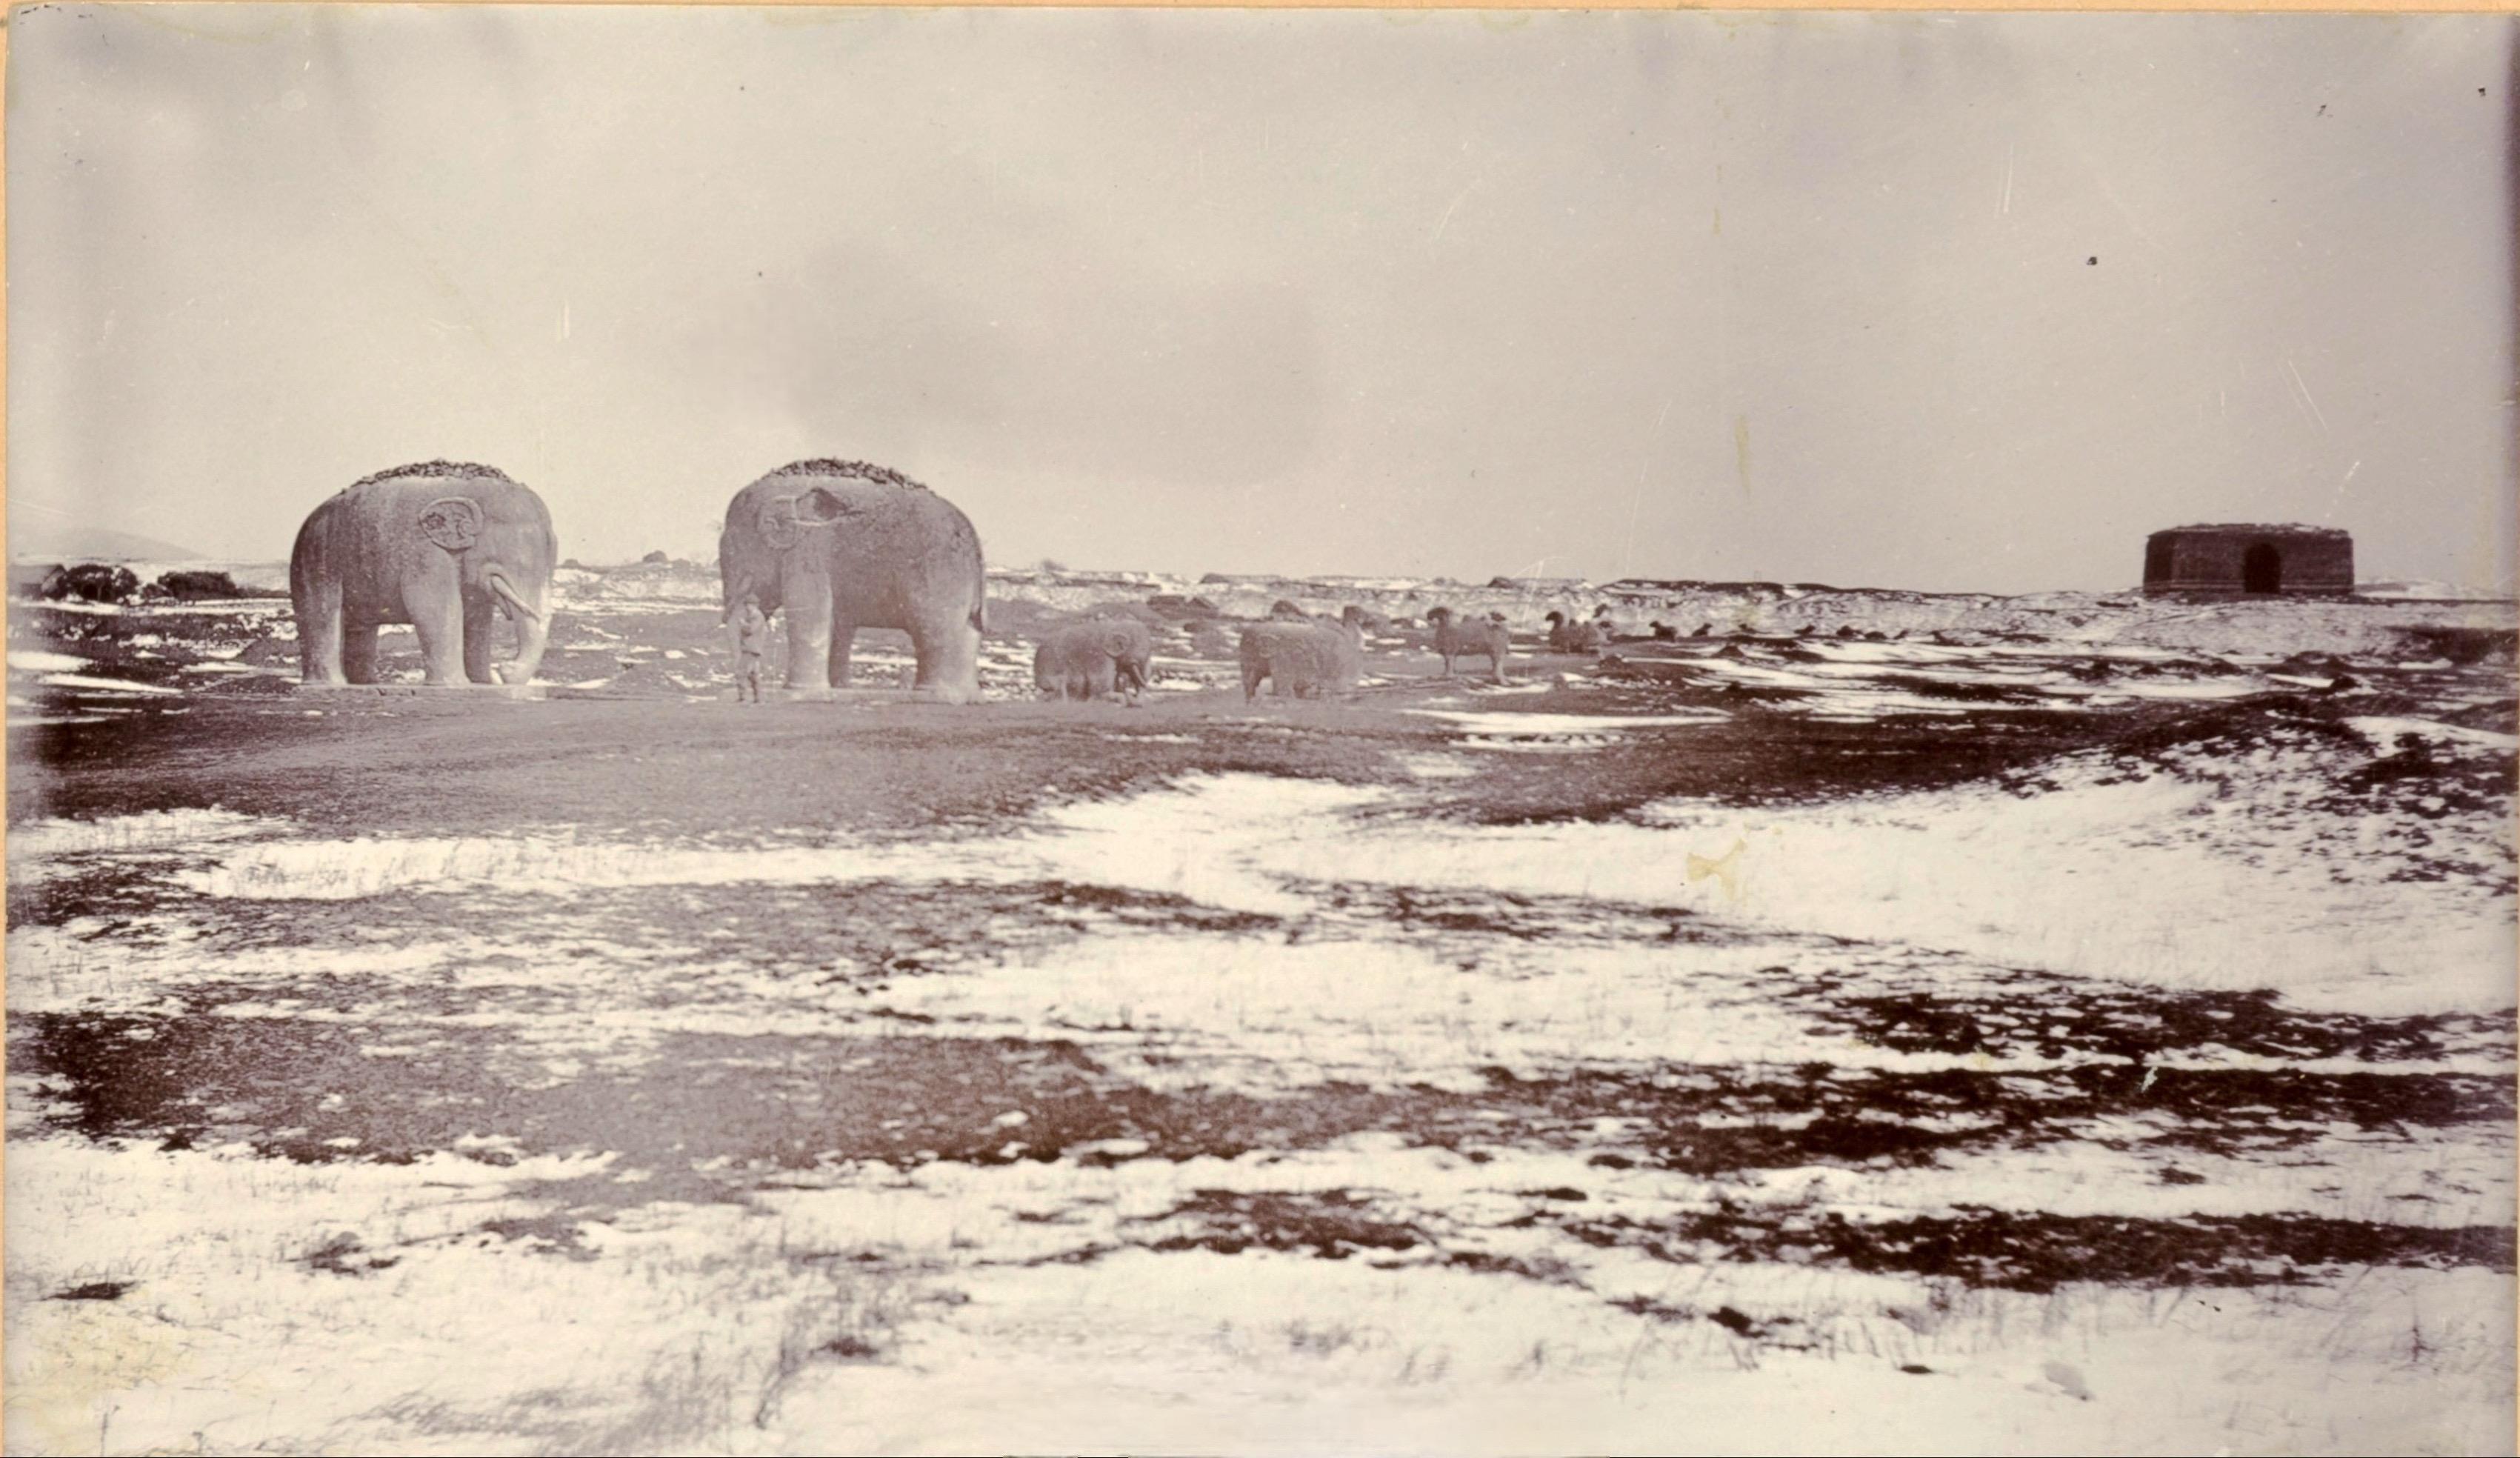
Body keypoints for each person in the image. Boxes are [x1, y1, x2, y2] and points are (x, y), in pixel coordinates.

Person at [734, 596, 770, 703]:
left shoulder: (757, 616)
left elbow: (751, 630)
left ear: (754, 605)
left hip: (751, 648)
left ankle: (743, 697)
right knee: (753, 674)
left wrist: (743, 624)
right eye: (746, 604)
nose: (747, 607)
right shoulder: (754, 616)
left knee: (741, 672)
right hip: (753, 648)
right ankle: (759, 698)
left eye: (749, 605)